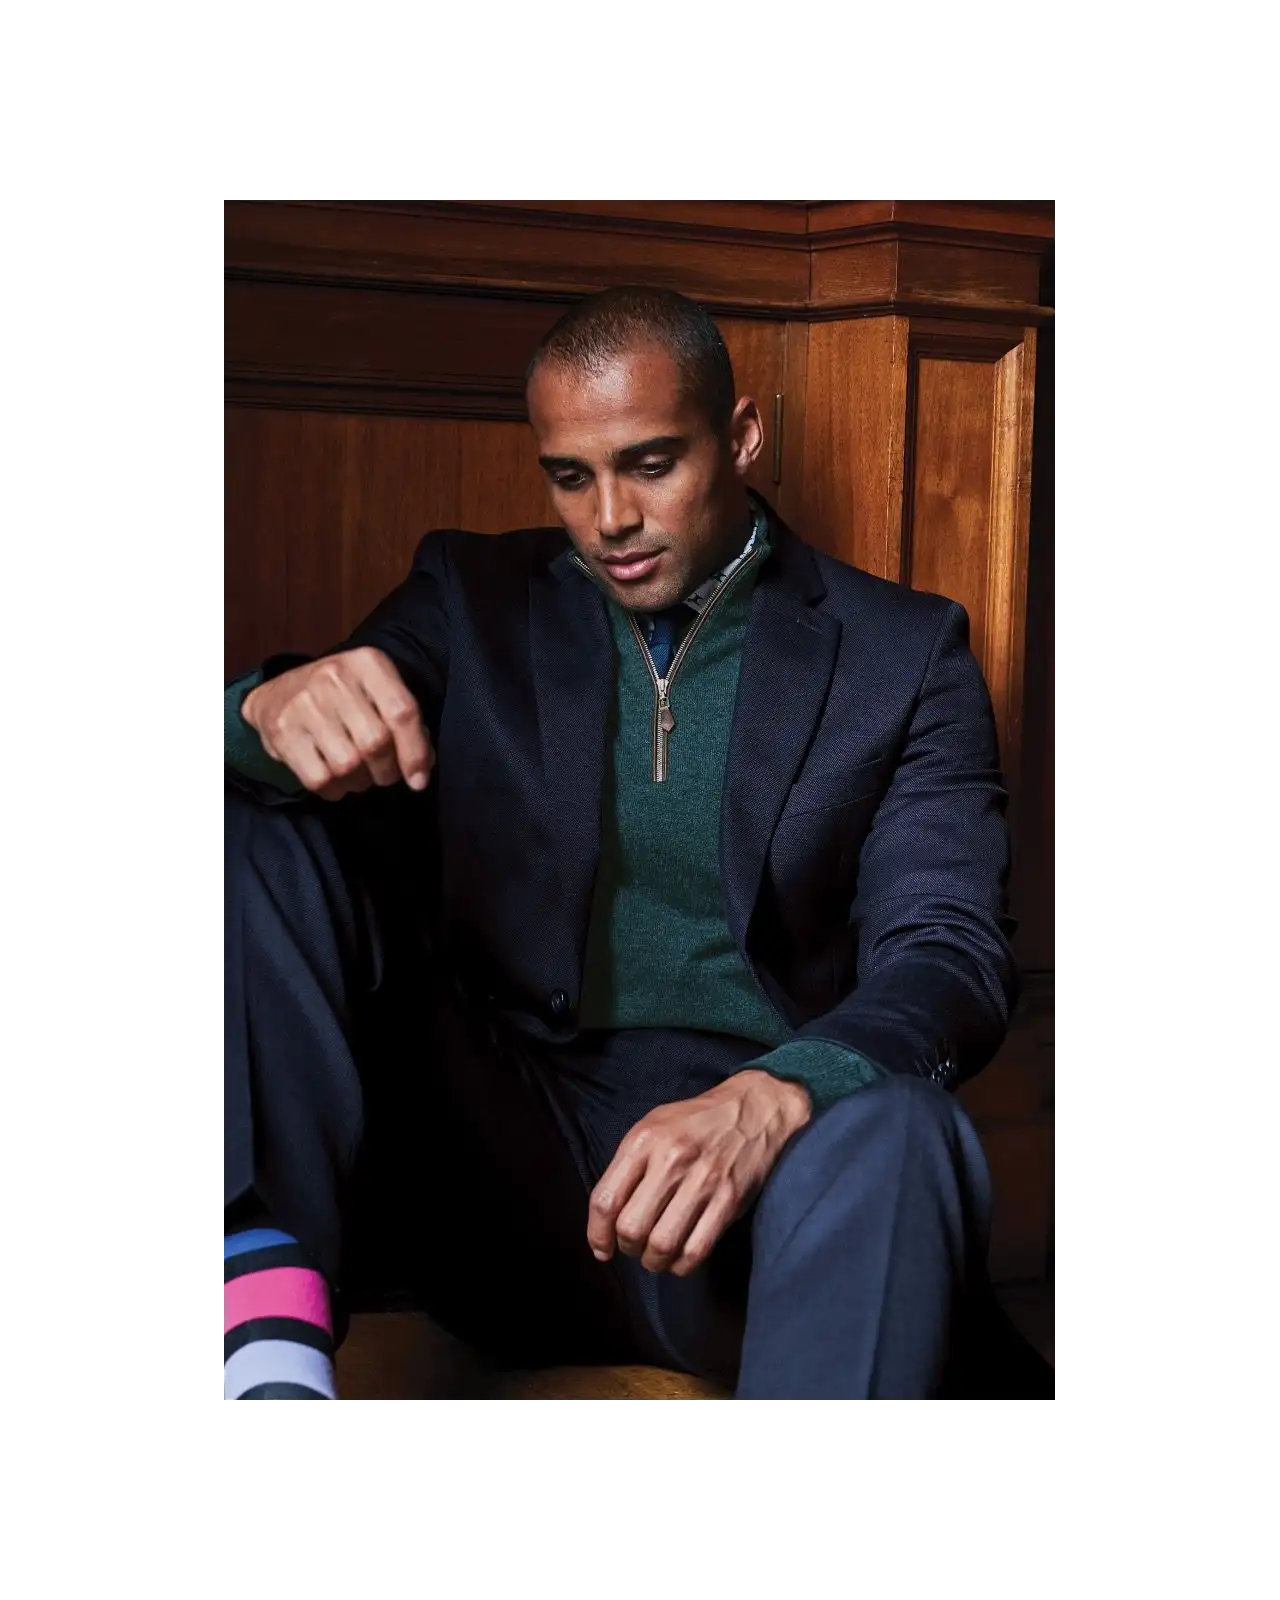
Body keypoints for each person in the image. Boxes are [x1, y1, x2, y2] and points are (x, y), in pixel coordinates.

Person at [224, 285, 1050, 1400]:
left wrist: (779, 1093)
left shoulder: (902, 655)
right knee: (257, 817)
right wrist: (261, 707)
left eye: (650, 465)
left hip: (743, 1191)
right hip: (492, 1152)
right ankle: (266, 1336)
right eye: (571, 477)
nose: (609, 516)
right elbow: (323, 725)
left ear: (740, 436)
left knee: (901, 1125)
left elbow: (949, 954)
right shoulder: (472, 596)